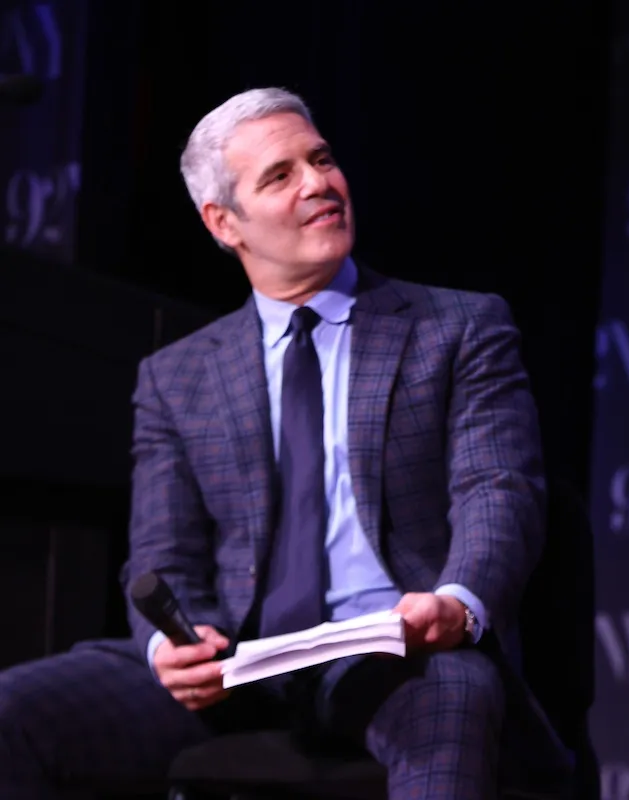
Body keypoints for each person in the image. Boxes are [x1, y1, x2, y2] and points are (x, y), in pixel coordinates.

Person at [0, 87, 566, 799]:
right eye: (280, 175)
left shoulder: (456, 329)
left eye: (322, 159)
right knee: (13, 712)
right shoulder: (177, 376)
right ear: (223, 222)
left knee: (455, 694)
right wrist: (172, 645)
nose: (318, 184)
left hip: (395, 648)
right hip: (240, 663)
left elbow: (499, 489)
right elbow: (161, 554)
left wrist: (456, 599)